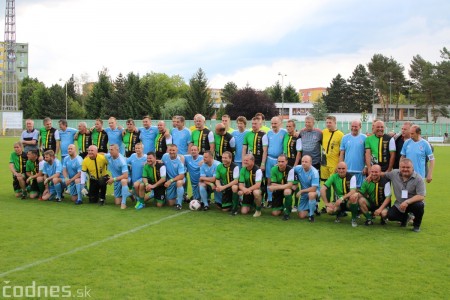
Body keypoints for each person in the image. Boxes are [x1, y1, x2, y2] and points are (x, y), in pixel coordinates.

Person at [384, 158, 425, 232]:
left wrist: (407, 202)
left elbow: (421, 196)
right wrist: (372, 175)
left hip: (412, 204)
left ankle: (416, 225)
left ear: (412, 168)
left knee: (420, 205)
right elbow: (384, 175)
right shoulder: (394, 173)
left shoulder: (418, 179)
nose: (405, 169)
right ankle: (405, 218)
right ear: (399, 167)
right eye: (403, 167)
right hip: (399, 204)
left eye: (408, 167)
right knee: (390, 216)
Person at [320, 162, 359, 227]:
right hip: (338, 202)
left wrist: (342, 198)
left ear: (346, 169)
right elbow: (322, 189)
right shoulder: (333, 177)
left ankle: (354, 219)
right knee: (329, 210)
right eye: (339, 168)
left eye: (343, 168)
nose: (341, 170)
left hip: (348, 201)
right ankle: (339, 213)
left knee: (354, 197)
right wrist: (326, 203)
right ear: (337, 169)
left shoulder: (352, 177)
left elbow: (353, 191)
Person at [299, 115, 322, 215]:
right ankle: (305, 205)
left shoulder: (319, 133)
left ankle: (315, 205)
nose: (307, 124)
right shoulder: (301, 132)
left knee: (315, 186)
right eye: (306, 122)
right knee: (304, 183)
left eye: (309, 122)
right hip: (304, 163)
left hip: (316, 162)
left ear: (313, 123)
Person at [264, 116, 287, 207]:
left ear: (280, 123)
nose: (273, 125)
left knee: (280, 181)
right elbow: (265, 149)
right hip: (269, 159)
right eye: (272, 123)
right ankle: (270, 200)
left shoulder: (284, 132)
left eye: (275, 123)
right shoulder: (268, 133)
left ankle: (279, 200)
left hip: (280, 160)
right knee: (269, 180)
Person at [321, 116, 344, 202]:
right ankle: (327, 205)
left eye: (330, 122)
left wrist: (340, 163)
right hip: (324, 164)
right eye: (327, 122)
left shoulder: (340, 135)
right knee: (326, 185)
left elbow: (342, 151)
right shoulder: (323, 132)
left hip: (335, 164)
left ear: (335, 123)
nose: (328, 124)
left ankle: (337, 204)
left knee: (336, 185)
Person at [339, 120, 367, 188]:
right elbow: (342, 153)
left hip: (360, 171)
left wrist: (366, 166)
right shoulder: (345, 138)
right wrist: (340, 166)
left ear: (360, 127)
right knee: (347, 190)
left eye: (356, 126)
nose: (354, 128)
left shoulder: (365, 138)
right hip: (347, 170)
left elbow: (367, 154)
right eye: (352, 126)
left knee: (359, 192)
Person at [292, 155, 320, 222]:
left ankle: (311, 215)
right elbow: (290, 169)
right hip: (304, 193)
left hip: (315, 192)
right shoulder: (298, 168)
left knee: (311, 194)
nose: (303, 163)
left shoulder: (314, 172)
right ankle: (313, 207)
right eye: (302, 161)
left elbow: (313, 188)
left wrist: (301, 191)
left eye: (306, 162)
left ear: (310, 163)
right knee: (301, 216)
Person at [267, 154, 295, 220]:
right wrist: (284, 186)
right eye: (279, 161)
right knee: (275, 213)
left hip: (285, 189)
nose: (280, 163)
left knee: (287, 191)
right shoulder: (273, 169)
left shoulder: (291, 170)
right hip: (278, 190)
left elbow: (290, 185)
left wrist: (276, 187)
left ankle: (287, 213)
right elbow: (273, 184)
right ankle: (283, 206)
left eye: (282, 161)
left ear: (286, 162)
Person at [105, 144, 130, 209]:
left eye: (112, 150)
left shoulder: (122, 161)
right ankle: (128, 193)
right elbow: (102, 154)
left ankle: (124, 203)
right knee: (117, 203)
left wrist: (113, 179)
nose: (110, 151)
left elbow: (126, 175)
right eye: (109, 149)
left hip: (124, 179)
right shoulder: (109, 156)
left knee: (123, 181)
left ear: (117, 150)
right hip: (116, 180)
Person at [162, 144, 186, 209]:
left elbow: (181, 176)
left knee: (179, 182)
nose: (171, 152)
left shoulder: (179, 161)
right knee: (170, 203)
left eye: (173, 150)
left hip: (178, 179)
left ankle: (179, 204)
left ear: (177, 151)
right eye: (170, 150)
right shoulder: (165, 156)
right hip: (170, 181)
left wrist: (170, 180)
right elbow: (161, 163)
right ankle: (181, 196)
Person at [126, 143, 147, 207]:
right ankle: (139, 200)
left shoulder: (146, 157)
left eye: (139, 148)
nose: (137, 150)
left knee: (136, 185)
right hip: (133, 178)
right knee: (131, 184)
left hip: (142, 178)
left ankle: (140, 201)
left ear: (142, 149)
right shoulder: (133, 156)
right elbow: (125, 162)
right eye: (136, 148)